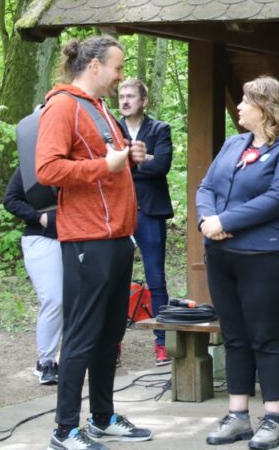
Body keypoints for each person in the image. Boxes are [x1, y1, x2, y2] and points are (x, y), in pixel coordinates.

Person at [36, 35, 153, 450]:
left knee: (109, 335)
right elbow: (48, 169)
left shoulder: (100, 107)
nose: (122, 76)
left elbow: (107, 162)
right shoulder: (62, 105)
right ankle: (65, 428)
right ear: (95, 66)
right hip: (87, 236)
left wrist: (128, 155)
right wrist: (105, 164)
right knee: (83, 335)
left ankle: (102, 417)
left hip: (119, 236)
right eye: (118, 68)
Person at [196, 76, 279, 450]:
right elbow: (206, 188)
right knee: (235, 335)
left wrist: (225, 222)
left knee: (267, 337)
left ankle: (272, 419)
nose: (239, 107)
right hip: (221, 255)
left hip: (265, 256)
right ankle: (238, 416)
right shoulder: (233, 144)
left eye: (245, 101)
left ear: (265, 107)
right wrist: (207, 222)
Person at [117, 78, 174, 366]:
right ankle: (112, 344)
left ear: (143, 101)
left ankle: (162, 343)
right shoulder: (111, 128)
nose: (125, 101)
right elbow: (108, 169)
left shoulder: (160, 128)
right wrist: (142, 160)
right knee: (114, 279)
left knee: (156, 278)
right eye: (121, 95)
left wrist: (127, 162)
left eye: (130, 96)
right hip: (118, 211)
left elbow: (162, 166)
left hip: (150, 211)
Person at [5, 166, 62, 386]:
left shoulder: (79, 158)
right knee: (54, 299)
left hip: (81, 237)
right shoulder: (31, 164)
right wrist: (38, 217)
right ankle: (46, 361)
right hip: (43, 238)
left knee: (80, 299)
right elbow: (11, 199)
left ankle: (77, 358)